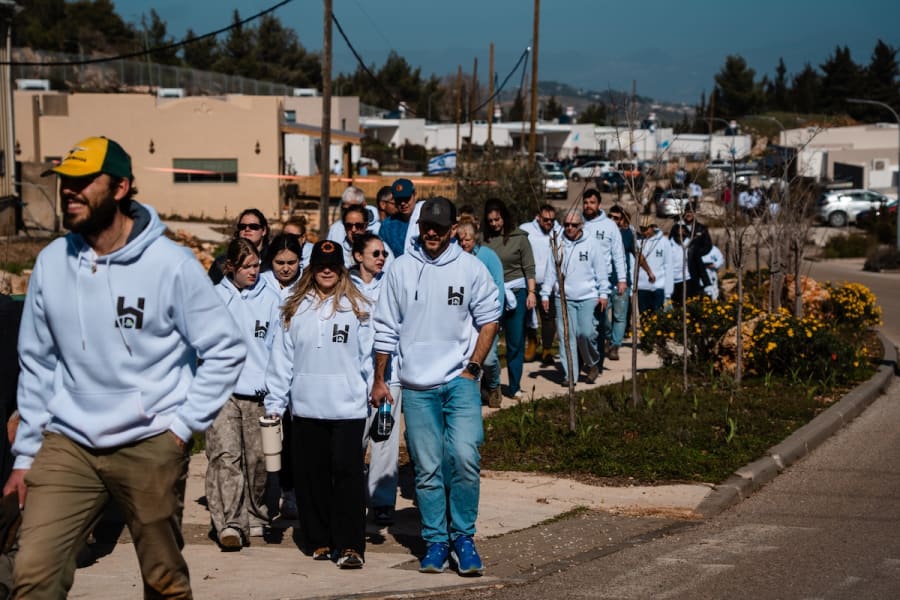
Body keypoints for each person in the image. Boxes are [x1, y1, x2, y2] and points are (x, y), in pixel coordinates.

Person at [5, 136, 247, 597]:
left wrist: (182, 428)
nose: (69, 190)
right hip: (69, 442)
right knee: (32, 575)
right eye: (65, 181)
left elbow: (225, 348)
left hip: (150, 439)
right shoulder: (52, 262)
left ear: (120, 188)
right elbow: (37, 362)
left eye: (83, 181)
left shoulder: (170, 264)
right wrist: (26, 455)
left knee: (163, 581)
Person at [372, 197, 500, 576]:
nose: (431, 233)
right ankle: (436, 542)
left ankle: (463, 537)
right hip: (416, 387)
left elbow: (490, 318)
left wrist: (473, 367)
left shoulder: (471, 268)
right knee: (427, 469)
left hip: (459, 381)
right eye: (426, 226)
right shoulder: (401, 269)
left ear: (453, 230)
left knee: (464, 457)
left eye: (439, 228)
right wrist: (380, 379)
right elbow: (385, 327)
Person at [264, 240, 372, 570]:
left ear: (341, 269)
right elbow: (281, 359)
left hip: (348, 407)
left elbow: (368, 358)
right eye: (321, 265)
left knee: (347, 476)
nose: (327, 271)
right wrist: (275, 402)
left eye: (333, 266)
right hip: (306, 406)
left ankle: (351, 545)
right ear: (311, 269)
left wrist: (373, 392)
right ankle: (320, 539)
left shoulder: (358, 307)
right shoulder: (293, 308)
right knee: (312, 478)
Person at [207, 238, 281, 550]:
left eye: (256, 265)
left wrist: (276, 392)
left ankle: (255, 513)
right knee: (226, 457)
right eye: (247, 266)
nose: (253, 271)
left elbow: (279, 350)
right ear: (231, 267)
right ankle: (230, 523)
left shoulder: (271, 299)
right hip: (221, 392)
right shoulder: (213, 299)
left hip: (259, 394)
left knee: (257, 460)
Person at [348, 233, 399, 526]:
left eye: (384, 254)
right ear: (358, 256)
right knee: (353, 437)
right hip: (354, 375)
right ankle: (351, 495)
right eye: (375, 253)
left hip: (389, 374)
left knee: (384, 436)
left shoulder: (390, 284)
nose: (381, 258)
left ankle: (382, 501)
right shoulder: (345, 286)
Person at [259, 233, 306, 520]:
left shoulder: (307, 287)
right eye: (280, 262)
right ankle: (265, 495)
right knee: (265, 443)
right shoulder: (260, 284)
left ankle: (290, 493)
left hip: (295, 373)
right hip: (262, 372)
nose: (286, 268)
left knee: (291, 442)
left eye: (292, 262)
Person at [540, 209, 609, 386]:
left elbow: (601, 271)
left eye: (574, 225)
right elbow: (550, 271)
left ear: (581, 225)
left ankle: (592, 363)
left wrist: (603, 293)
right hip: (563, 298)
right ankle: (570, 375)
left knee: (585, 333)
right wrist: (545, 293)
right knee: (566, 337)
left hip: (588, 296)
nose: (570, 228)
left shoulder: (592, 244)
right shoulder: (558, 243)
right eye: (567, 225)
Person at [483, 198, 536, 399]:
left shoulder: (519, 237)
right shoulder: (483, 240)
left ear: (504, 217)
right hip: (492, 295)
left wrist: (531, 293)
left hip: (517, 293)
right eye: (490, 221)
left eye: (497, 219)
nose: (494, 224)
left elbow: (529, 268)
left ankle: (514, 386)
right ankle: (491, 384)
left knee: (515, 342)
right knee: (488, 341)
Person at [456, 219, 504, 408]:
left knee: (489, 359)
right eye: (460, 240)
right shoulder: (456, 256)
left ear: (475, 238)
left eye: (467, 239)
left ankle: (493, 385)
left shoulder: (488, 256)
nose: (464, 243)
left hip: (487, 317)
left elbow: (499, 285)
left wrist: (496, 314)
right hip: (465, 318)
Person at [580, 189, 627, 370]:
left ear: (599, 204)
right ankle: (583, 359)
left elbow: (618, 254)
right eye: (586, 202)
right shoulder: (576, 223)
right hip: (580, 280)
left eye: (592, 202)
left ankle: (597, 362)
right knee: (582, 326)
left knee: (599, 324)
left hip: (602, 282)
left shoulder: (609, 226)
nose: (588, 206)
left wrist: (621, 279)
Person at [519, 204, 562, 366]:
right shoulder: (525, 230)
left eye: (552, 220)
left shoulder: (559, 231)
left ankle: (547, 350)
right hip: (529, 281)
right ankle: (532, 342)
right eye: (546, 220)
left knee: (548, 317)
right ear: (538, 217)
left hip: (549, 283)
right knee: (528, 315)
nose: (549, 223)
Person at [605, 205, 636, 361]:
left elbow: (637, 254)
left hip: (621, 283)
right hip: (604, 281)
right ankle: (608, 336)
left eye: (616, 218)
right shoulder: (603, 232)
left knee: (620, 317)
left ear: (622, 219)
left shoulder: (627, 234)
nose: (612, 220)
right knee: (601, 314)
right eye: (610, 216)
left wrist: (648, 271)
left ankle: (615, 346)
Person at [209, 208, 271, 284]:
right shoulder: (221, 262)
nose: (247, 229)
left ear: (264, 230)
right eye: (242, 226)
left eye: (253, 226)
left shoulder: (273, 260)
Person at [668, 206, 712, 299]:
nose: (689, 214)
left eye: (691, 212)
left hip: (693, 265)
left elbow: (708, 245)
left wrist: (696, 252)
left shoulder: (701, 228)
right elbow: (670, 243)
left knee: (692, 294)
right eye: (687, 212)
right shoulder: (677, 227)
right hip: (677, 272)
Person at [636, 217, 673, 315]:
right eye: (641, 228)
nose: (643, 232)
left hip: (659, 288)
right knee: (644, 317)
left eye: (646, 229)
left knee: (658, 317)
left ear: (653, 227)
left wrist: (668, 293)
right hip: (642, 287)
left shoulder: (664, 242)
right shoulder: (638, 242)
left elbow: (668, 266)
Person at [340, 204, 393, 271]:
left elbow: (389, 271)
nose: (353, 230)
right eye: (349, 226)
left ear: (366, 225)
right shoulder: (340, 250)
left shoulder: (381, 247)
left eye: (358, 225)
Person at [378, 178, 416, 257]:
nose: (402, 203)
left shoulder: (425, 220)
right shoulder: (387, 226)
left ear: (415, 195)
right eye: (399, 199)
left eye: (406, 198)